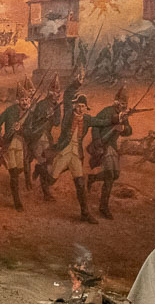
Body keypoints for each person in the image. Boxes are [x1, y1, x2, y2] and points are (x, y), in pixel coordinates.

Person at [48, 93, 105, 224]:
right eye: (78, 106)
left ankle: (85, 213)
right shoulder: (68, 115)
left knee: (80, 182)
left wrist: (117, 118)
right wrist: (75, 85)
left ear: (86, 108)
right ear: (75, 106)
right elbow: (67, 100)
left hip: (75, 154)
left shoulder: (87, 119)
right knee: (52, 179)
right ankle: (43, 175)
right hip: (64, 151)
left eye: (83, 106)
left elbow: (101, 122)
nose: (80, 108)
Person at [86, 87, 134, 220]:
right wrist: (97, 141)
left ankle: (93, 178)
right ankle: (103, 207)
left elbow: (129, 131)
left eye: (125, 103)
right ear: (116, 101)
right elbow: (95, 126)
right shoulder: (106, 111)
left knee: (115, 175)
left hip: (112, 147)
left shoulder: (123, 115)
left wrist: (123, 128)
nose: (124, 105)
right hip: (104, 145)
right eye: (122, 102)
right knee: (109, 176)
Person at [0, 85, 32, 211]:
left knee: (20, 169)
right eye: (22, 99)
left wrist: (21, 129)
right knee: (14, 174)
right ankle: (17, 202)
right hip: (8, 145)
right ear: (17, 101)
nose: (24, 102)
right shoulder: (9, 111)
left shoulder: (29, 114)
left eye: (27, 99)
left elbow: (30, 132)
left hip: (20, 145)